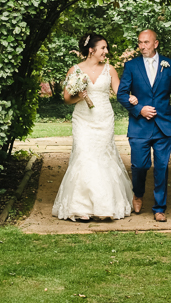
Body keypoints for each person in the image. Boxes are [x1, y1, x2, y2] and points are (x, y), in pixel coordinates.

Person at [52, 33, 134, 221]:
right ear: (91, 50)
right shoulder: (75, 70)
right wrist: (79, 96)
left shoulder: (110, 70)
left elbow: (120, 92)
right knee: (84, 155)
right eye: (103, 48)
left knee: (103, 157)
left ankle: (104, 206)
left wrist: (131, 98)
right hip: (83, 120)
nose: (106, 51)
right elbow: (66, 99)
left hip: (104, 119)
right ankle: (80, 207)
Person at [117, 29, 171, 222]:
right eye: (140, 42)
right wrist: (139, 109)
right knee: (139, 166)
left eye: (146, 42)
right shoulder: (131, 66)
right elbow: (121, 94)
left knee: (162, 167)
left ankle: (159, 208)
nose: (142, 46)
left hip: (164, 124)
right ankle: (138, 194)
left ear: (155, 44)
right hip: (139, 126)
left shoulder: (169, 65)